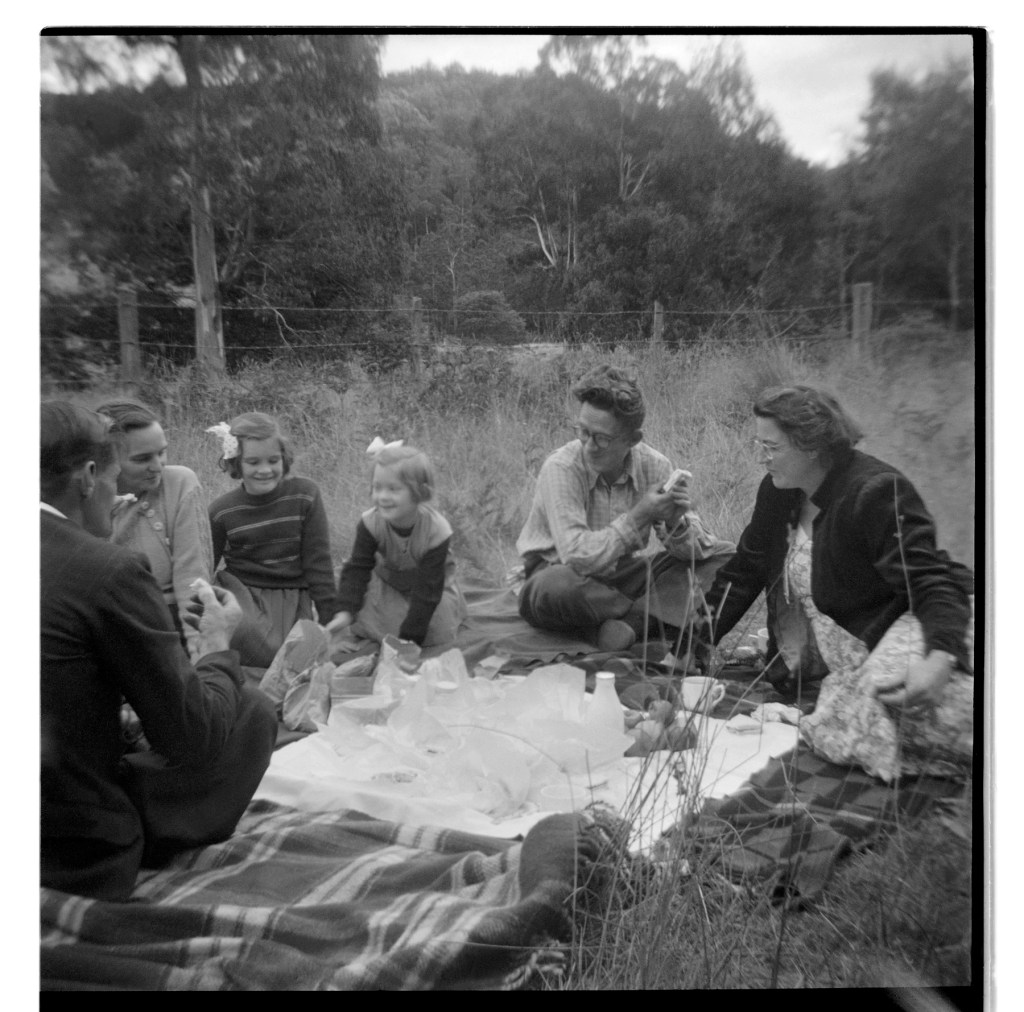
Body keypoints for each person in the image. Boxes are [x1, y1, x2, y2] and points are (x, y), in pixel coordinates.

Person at [41, 401, 277, 901]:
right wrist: (216, 644)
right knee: (251, 710)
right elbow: (192, 738)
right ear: (88, 475)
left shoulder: (177, 489)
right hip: (68, 845)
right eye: (116, 474)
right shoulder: (107, 569)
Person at [702, 385, 975, 781]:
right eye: (759, 444)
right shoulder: (779, 492)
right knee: (858, 713)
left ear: (810, 446)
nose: (762, 457)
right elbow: (745, 569)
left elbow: (932, 582)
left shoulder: (876, 490)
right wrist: (693, 640)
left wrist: (938, 658)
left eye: (771, 447)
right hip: (853, 651)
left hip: (918, 624)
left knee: (889, 704)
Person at [516, 364, 734, 653]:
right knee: (554, 586)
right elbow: (577, 557)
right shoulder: (562, 467)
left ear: (633, 440)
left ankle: (624, 626)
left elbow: (700, 551)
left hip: (620, 576)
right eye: (583, 432)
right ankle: (643, 620)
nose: (589, 446)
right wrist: (640, 515)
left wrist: (675, 524)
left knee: (726, 556)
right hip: (562, 575)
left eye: (602, 438)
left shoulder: (654, 465)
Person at [207, 412, 339, 670]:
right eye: (253, 462)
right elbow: (204, 565)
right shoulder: (222, 511)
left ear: (284, 458)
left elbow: (318, 561)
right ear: (237, 464)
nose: (265, 470)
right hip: (244, 592)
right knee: (241, 632)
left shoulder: (305, 495)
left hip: (292, 595)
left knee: (297, 654)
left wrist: (329, 618)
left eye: (273, 460)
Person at [96, 399, 214, 656]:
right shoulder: (89, 500)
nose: (158, 465)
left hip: (173, 627)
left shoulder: (180, 483)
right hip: (113, 630)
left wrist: (198, 645)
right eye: (142, 459)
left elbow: (192, 573)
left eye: (162, 452)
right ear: (106, 462)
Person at [327, 441, 466, 649]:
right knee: (351, 597)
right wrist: (345, 612)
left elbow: (428, 591)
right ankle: (379, 622)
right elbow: (357, 569)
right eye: (377, 487)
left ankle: (402, 631)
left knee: (438, 628)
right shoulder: (370, 523)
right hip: (388, 581)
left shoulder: (436, 530)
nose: (382, 497)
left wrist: (408, 642)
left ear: (420, 492)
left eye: (393, 489)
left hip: (428, 587)